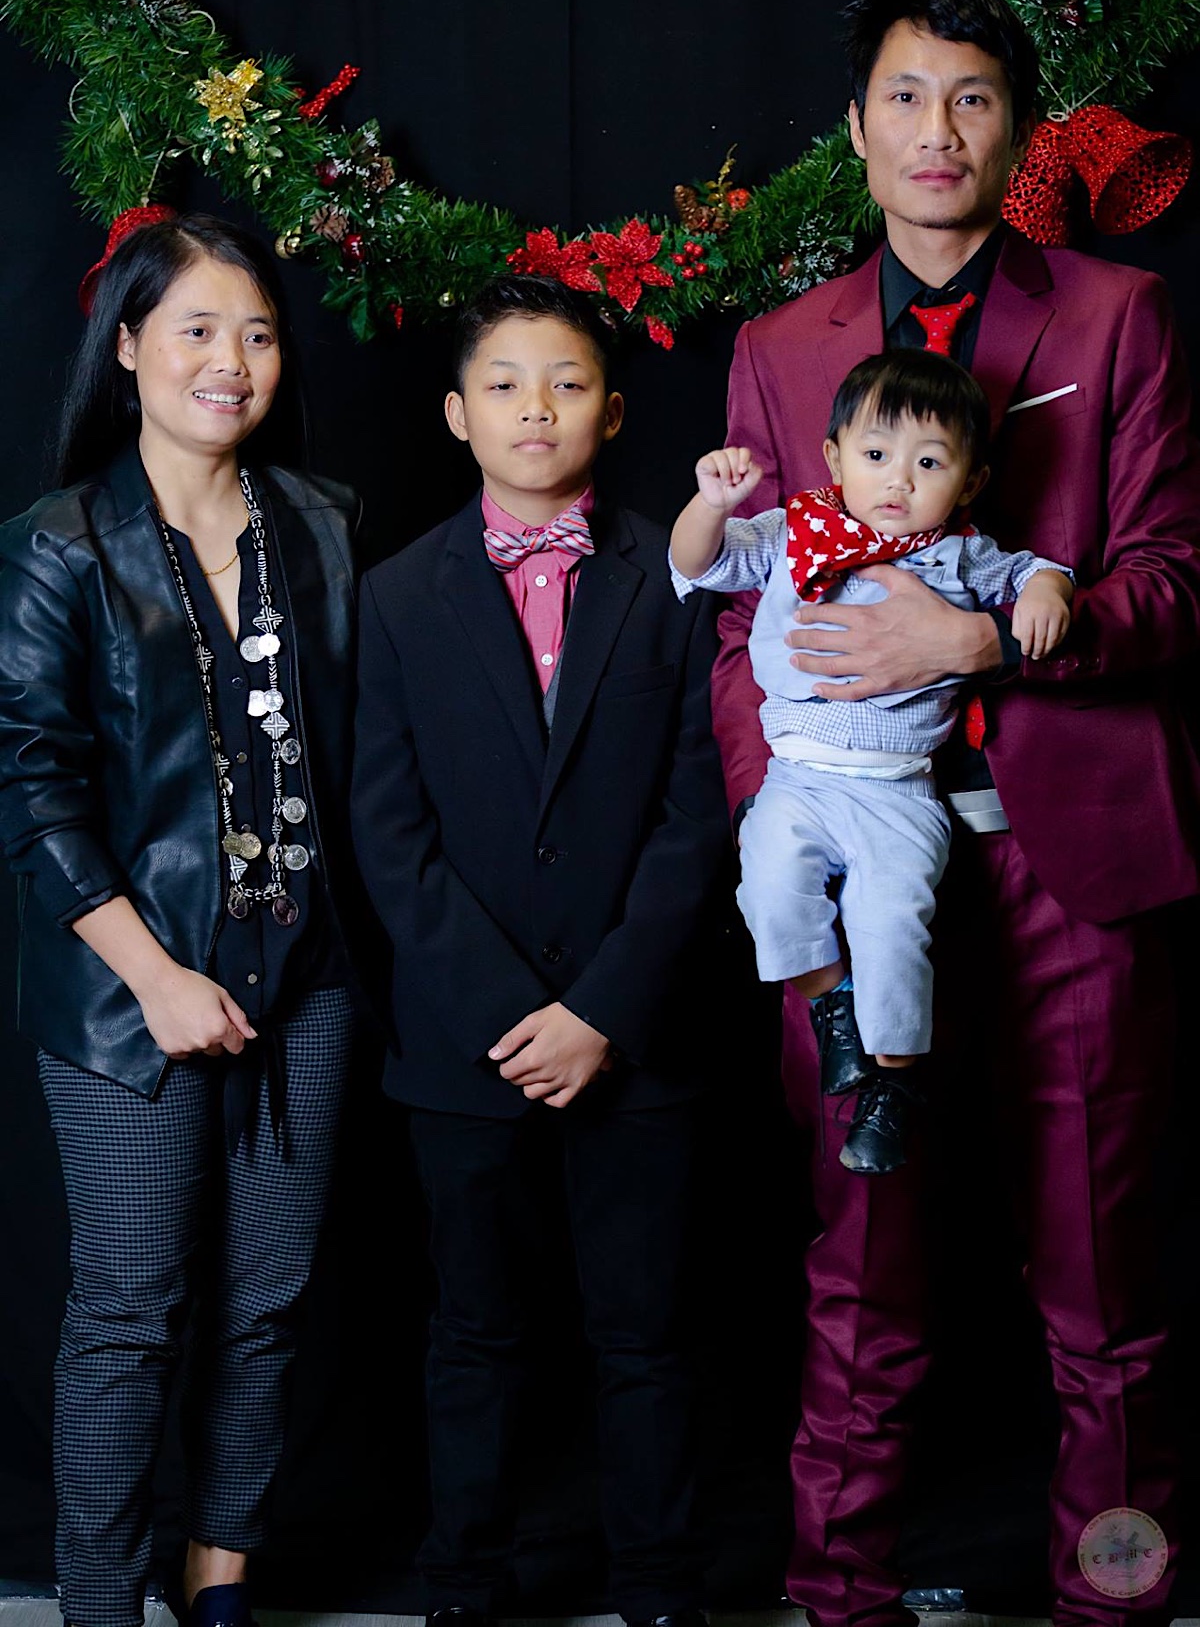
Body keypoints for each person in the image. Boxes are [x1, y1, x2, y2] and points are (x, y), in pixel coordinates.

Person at [711, 0, 1200, 1627]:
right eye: (908, 99)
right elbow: (736, 635)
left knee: (1102, 1284)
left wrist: (982, 636)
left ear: (1018, 131)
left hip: (1069, 862)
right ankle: (838, 1594)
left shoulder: (1118, 318)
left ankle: (1117, 1599)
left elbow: (1176, 582)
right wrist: (780, 821)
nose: (939, 130)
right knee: (862, 1262)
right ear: (857, 131)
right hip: (850, 863)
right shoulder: (779, 350)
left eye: (974, 99)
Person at [0, 214, 362, 1627]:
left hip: (306, 975)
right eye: (198, 329)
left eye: (258, 334)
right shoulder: (58, 545)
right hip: (124, 998)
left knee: (268, 1301)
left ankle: (221, 1588)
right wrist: (154, 977)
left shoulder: (321, 522)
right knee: (130, 1310)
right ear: (130, 346)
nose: (231, 361)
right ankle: (104, 1606)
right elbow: (30, 793)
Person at [352, 274, 728, 1627]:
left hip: (640, 1034)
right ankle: (465, 1581)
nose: (536, 409)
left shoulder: (681, 578)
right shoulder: (395, 597)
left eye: (567, 383)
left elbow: (701, 812)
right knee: (475, 1335)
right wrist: (514, 1016)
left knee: (646, 1336)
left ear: (612, 411)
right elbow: (388, 834)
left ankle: (660, 1583)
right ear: (457, 414)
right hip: (466, 1048)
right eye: (504, 384)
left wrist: (603, 1011)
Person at [670, 348, 1072, 1174]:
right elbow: (697, 563)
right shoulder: (792, 532)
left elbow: (1041, 569)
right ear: (834, 457)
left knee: (892, 932)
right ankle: (832, 1009)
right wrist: (710, 506)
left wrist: (1044, 592)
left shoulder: (959, 553)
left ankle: (893, 1082)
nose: (898, 480)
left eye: (929, 463)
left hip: (898, 792)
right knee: (768, 892)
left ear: (970, 481)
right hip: (797, 780)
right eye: (877, 454)